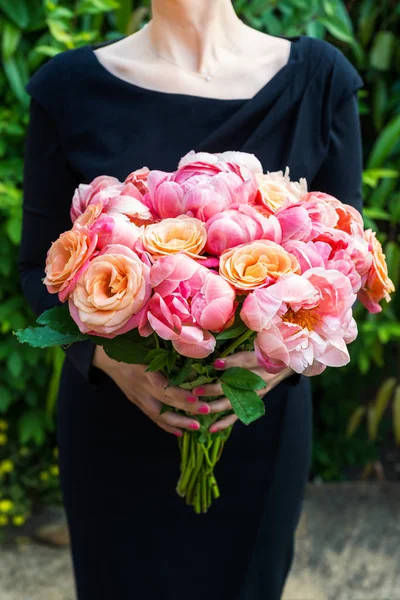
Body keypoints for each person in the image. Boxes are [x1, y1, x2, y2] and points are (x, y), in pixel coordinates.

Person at [18, 1, 364, 598]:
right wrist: (114, 365)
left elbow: (347, 265)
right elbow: (35, 271)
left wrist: (261, 371)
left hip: (258, 428)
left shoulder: (321, 79)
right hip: (114, 425)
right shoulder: (68, 88)